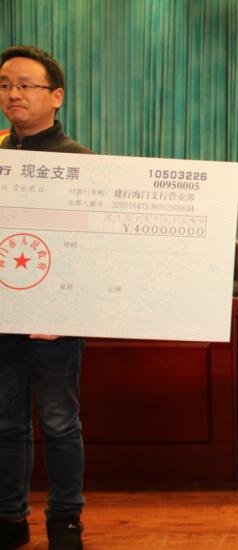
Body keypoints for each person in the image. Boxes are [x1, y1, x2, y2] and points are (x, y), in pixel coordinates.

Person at [0, 45, 92, 550]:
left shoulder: (78, 162)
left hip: (55, 323)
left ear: (56, 97)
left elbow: (92, 251)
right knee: (5, 422)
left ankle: (65, 520)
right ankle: (9, 517)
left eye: (25, 85)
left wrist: (65, 311)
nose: (13, 94)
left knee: (58, 421)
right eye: (4, 84)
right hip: (2, 317)